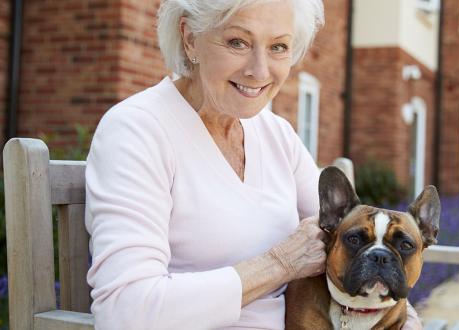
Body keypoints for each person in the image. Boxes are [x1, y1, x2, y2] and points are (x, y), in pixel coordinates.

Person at [85, 0, 422, 329]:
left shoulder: (276, 134)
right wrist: (280, 264)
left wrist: (403, 319)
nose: (259, 71)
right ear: (190, 38)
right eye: (237, 42)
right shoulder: (138, 130)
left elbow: (346, 234)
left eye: (278, 47)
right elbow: (126, 311)